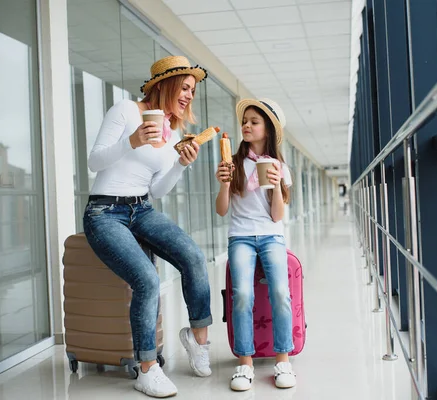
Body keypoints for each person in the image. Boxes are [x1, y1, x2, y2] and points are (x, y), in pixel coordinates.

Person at [83, 56, 212, 398]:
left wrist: (180, 166)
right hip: (104, 212)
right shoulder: (125, 110)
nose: (188, 96)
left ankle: (199, 340)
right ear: (164, 84)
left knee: (193, 256)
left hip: (142, 208)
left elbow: (156, 189)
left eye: (193, 91)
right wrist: (133, 140)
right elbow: (94, 161)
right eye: (184, 87)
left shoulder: (173, 133)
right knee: (147, 278)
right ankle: (147, 368)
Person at [215, 98, 297, 391]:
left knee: (280, 291)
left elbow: (277, 215)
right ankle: (245, 363)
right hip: (240, 237)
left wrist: (276, 185)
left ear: (268, 130)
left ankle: (282, 359)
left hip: (271, 235)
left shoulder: (280, 167)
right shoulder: (232, 163)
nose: (246, 126)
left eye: (254, 121)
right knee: (242, 295)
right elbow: (222, 210)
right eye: (245, 121)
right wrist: (224, 184)